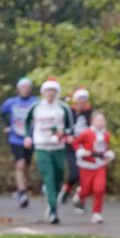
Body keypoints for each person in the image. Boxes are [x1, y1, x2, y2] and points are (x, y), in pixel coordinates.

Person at [25, 78, 74, 224]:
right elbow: (27, 122)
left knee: (58, 176)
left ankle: (50, 197)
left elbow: (70, 127)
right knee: (49, 177)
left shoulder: (63, 108)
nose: (50, 94)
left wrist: (64, 134)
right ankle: (53, 211)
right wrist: (28, 137)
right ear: (43, 92)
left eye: (53, 91)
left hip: (58, 147)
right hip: (42, 146)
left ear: (57, 92)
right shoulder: (36, 107)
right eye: (48, 91)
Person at [0, 77, 38, 208]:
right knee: (20, 164)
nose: (25, 90)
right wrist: (6, 125)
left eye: (28, 87)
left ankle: (23, 188)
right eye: (23, 87)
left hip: (30, 138)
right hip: (15, 138)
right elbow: (2, 113)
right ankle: (22, 192)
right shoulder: (11, 102)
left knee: (26, 165)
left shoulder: (36, 102)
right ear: (18, 89)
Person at [73, 111, 115, 224]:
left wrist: (108, 155)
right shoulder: (86, 133)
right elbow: (76, 143)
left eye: (102, 120)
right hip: (86, 165)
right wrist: (82, 152)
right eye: (98, 120)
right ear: (92, 121)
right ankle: (80, 193)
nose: (100, 122)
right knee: (86, 189)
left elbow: (107, 148)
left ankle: (97, 213)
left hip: (100, 165)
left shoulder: (106, 134)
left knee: (99, 189)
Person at [63, 88, 93, 212]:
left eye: (84, 99)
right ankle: (67, 188)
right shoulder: (69, 112)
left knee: (85, 177)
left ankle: (79, 201)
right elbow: (62, 127)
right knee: (74, 174)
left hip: (86, 148)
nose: (82, 101)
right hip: (71, 147)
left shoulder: (90, 113)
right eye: (79, 98)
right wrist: (67, 137)